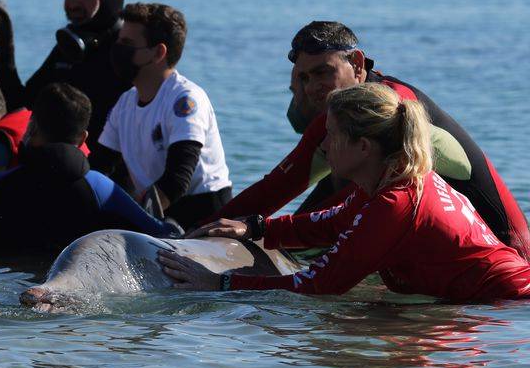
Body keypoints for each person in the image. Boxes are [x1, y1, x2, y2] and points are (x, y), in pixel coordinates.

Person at [159, 83, 530, 301]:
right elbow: (329, 223)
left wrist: (221, 284)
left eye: (333, 135)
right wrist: (257, 228)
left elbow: (321, 284)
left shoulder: (394, 202)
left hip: (507, 307)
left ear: (364, 147)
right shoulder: (387, 180)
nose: (325, 143)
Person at [211, 21, 530, 259]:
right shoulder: (335, 118)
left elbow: (347, 211)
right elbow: (277, 186)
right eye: (305, 78)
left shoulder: (392, 109)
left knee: (298, 244)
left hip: (501, 250)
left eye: (323, 72)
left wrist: (259, 233)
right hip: (433, 250)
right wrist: (208, 229)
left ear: (357, 64)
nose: (311, 88)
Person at [0, 83, 179, 255]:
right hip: (74, 306)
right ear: (83, 138)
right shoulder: (102, 190)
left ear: (31, 128)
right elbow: (164, 237)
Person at [89, 3, 232, 230]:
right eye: (119, 41)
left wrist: (137, 220)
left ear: (158, 53)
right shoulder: (125, 102)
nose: (117, 50)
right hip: (159, 211)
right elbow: (99, 167)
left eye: (127, 44)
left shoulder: (185, 99)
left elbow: (177, 180)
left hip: (203, 211)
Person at [0, 0, 129, 149]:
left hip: (101, 174)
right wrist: (2, 47)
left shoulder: (126, 50)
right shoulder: (68, 47)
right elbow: (20, 108)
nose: (73, 3)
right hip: (62, 166)